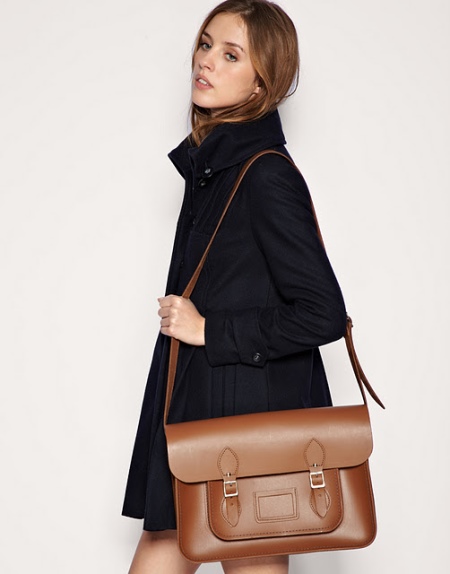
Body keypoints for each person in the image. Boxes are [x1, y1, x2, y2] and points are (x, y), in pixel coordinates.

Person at [122, 1, 347, 572]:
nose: (207, 62)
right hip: (200, 410)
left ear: (261, 83)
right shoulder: (214, 169)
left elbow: (323, 312)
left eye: (230, 55)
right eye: (205, 45)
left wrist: (209, 330)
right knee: (165, 544)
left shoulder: (263, 173)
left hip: (242, 427)